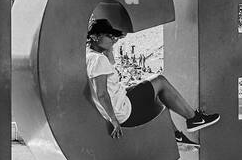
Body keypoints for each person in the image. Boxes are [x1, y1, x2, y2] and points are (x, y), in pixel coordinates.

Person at [85, 18, 220, 142]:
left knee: (156, 93)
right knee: (160, 81)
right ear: (95, 37)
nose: (112, 39)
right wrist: (114, 120)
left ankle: (175, 135)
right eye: (108, 36)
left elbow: (108, 74)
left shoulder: (91, 56)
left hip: (119, 104)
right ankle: (193, 118)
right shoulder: (99, 60)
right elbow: (102, 93)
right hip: (123, 111)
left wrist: (109, 47)